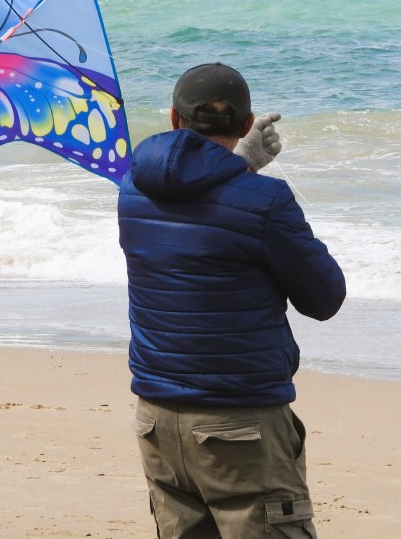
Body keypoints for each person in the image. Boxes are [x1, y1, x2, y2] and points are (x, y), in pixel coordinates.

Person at [117, 62, 346, 539]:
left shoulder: (132, 192)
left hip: (156, 418)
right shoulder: (266, 202)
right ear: (247, 125)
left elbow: (199, 210)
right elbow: (325, 297)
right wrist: (246, 171)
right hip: (239, 421)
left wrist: (240, 167)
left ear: (174, 119)